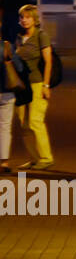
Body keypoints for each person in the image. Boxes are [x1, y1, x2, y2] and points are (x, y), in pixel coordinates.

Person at [14, 4, 53, 170]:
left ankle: (46, 158)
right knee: (24, 124)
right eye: (22, 17)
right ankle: (34, 158)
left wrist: (46, 85)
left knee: (36, 121)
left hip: (37, 84)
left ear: (35, 19)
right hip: (21, 86)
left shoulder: (41, 36)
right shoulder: (18, 37)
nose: (24, 20)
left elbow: (48, 62)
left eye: (28, 17)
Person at [0, 39, 23, 175]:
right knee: (5, 127)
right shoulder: (7, 46)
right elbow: (19, 68)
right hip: (7, 92)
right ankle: (4, 162)